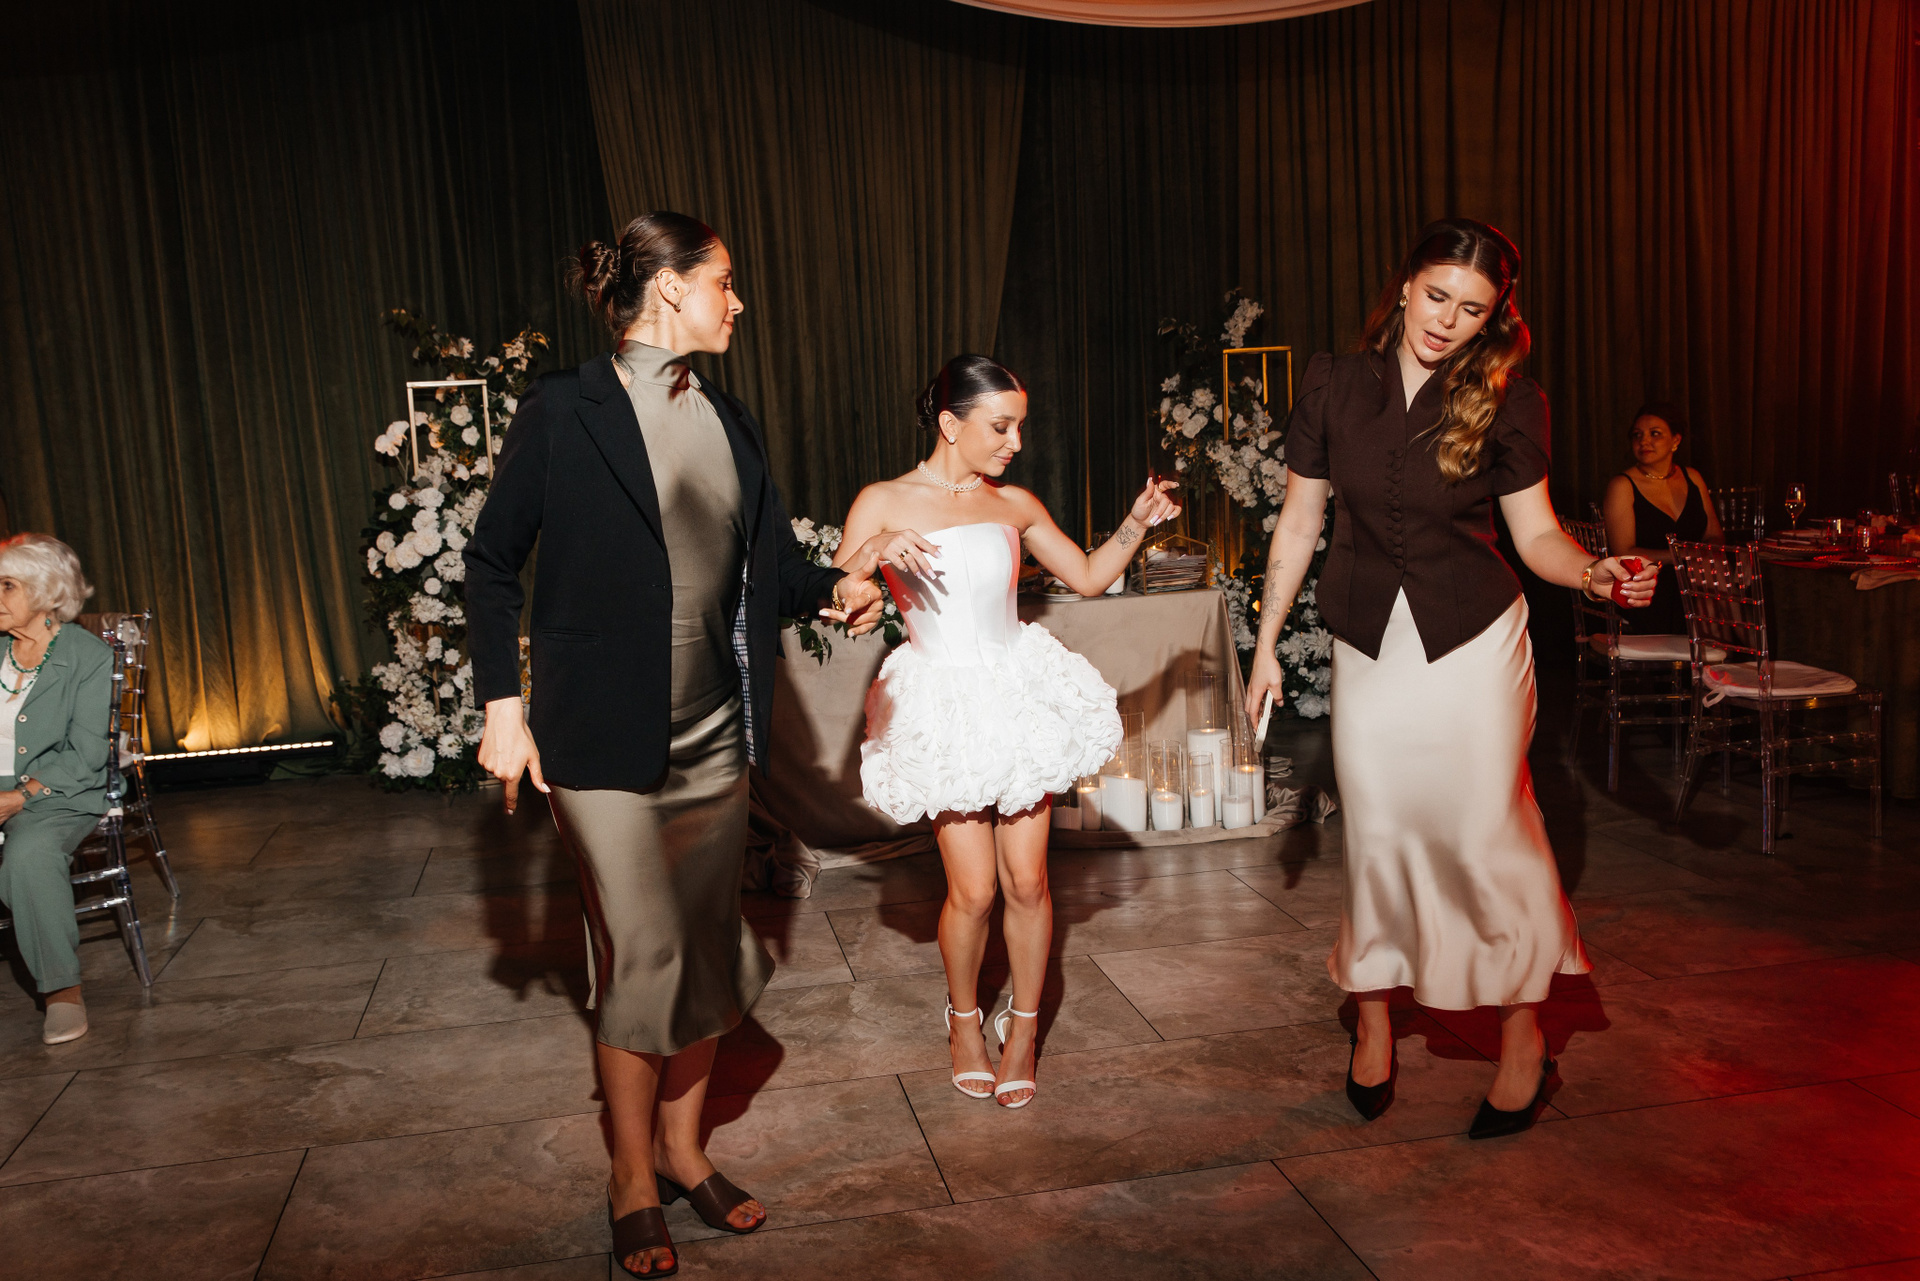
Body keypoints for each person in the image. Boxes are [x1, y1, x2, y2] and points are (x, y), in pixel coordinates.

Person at [465, 212, 885, 1278]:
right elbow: (490, 562)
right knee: (644, 948)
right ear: (668, 289)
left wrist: (834, 587)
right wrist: (503, 704)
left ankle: (685, 1152)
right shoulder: (565, 409)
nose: (738, 301)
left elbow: (766, 567)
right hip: (601, 742)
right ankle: (630, 1178)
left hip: (713, 737)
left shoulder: (730, 417)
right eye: (724, 281)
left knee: (700, 946)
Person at [1244, 219, 1656, 1139]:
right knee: (1379, 833)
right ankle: (1374, 1021)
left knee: (1485, 834)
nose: (1447, 320)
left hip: (1475, 640)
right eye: (1436, 296)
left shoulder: (1511, 399)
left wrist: (1595, 574)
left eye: (1472, 309)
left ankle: (1523, 1038)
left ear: (1493, 316)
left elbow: (1537, 536)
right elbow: (1300, 522)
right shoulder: (1332, 384)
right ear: (1404, 286)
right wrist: (1265, 643)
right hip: (1368, 644)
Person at [838, 354, 1179, 1111]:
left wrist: (1137, 520)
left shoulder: (1015, 503)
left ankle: (1022, 1031)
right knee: (975, 890)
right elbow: (842, 602)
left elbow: (1087, 576)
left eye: (1020, 426)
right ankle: (963, 1021)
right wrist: (871, 554)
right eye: (1000, 427)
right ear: (949, 422)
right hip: (942, 700)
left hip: (1017, 693)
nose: (1015, 442)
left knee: (1028, 882)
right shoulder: (882, 500)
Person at [0, 534, 112, 1046]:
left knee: (29, 858)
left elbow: (87, 754)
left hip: (58, 792)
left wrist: (19, 797)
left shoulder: (87, 657)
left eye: (7, 585)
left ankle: (62, 991)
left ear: (45, 592)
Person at [1602, 403, 1723, 634]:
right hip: (1648, 588)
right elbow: (1623, 551)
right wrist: (1684, 556)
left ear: (1676, 441)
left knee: (1732, 581)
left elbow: (1714, 535)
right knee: (1707, 593)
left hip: (1696, 580)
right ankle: (1725, 650)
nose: (1644, 441)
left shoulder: (1692, 477)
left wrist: (1705, 557)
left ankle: (1724, 649)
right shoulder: (1622, 485)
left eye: (1654, 433)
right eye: (1637, 435)